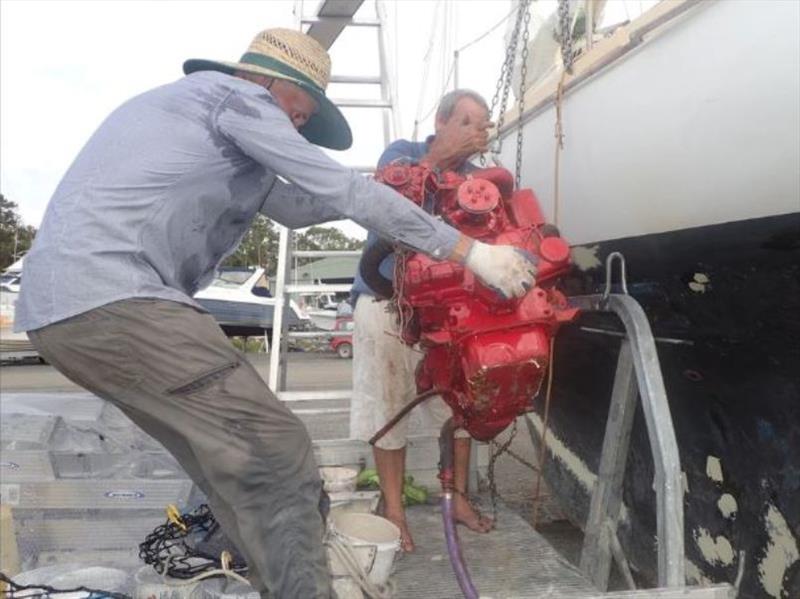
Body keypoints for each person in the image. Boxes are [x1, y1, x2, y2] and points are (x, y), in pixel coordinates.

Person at [15, 29, 536, 599]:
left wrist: (397, 183)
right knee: (279, 452)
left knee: (229, 468)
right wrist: (470, 252)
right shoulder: (236, 99)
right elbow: (335, 186)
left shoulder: (210, 127)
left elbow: (301, 205)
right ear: (269, 83)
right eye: (298, 112)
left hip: (63, 313)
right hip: (118, 298)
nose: (295, 127)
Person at [350, 89, 497, 552]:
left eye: (483, 123)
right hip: (386, 297)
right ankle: (393, 508)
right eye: (468, 121)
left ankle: (455, 497)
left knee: (459, 405)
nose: (477, 130)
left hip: (449, 309)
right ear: (441, 121)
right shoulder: (402, 154)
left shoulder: (481, 180)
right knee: (389, 401)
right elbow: (386, 207)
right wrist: (439, 159)